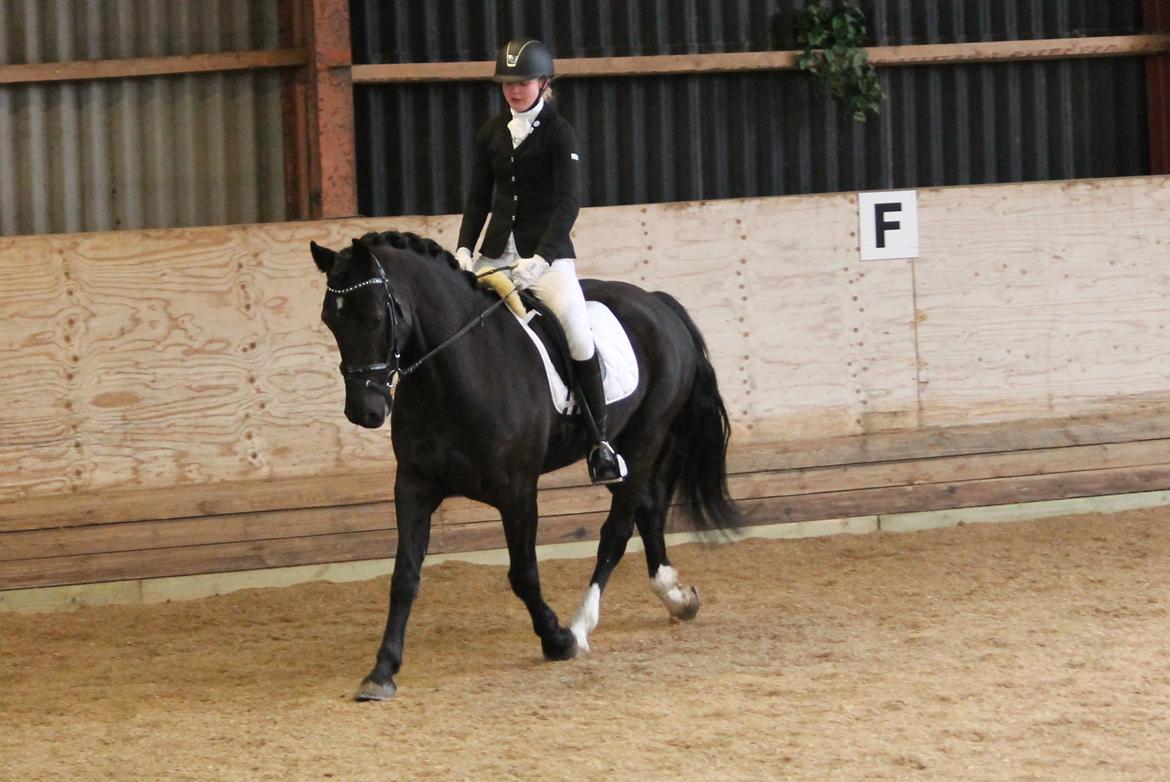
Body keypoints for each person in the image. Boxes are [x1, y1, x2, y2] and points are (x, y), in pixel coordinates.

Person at [454, 37, 627, 485]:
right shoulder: (491, 131)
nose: (514, 90)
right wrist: (464, 248)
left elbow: (567, 203)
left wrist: (541, 258)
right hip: (494, 255)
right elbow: (477, 197)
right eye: (507, 83)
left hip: (547, 259)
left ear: (543, 83)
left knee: (576, 333)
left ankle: (600, 442)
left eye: (524, 81)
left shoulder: (559, 132)